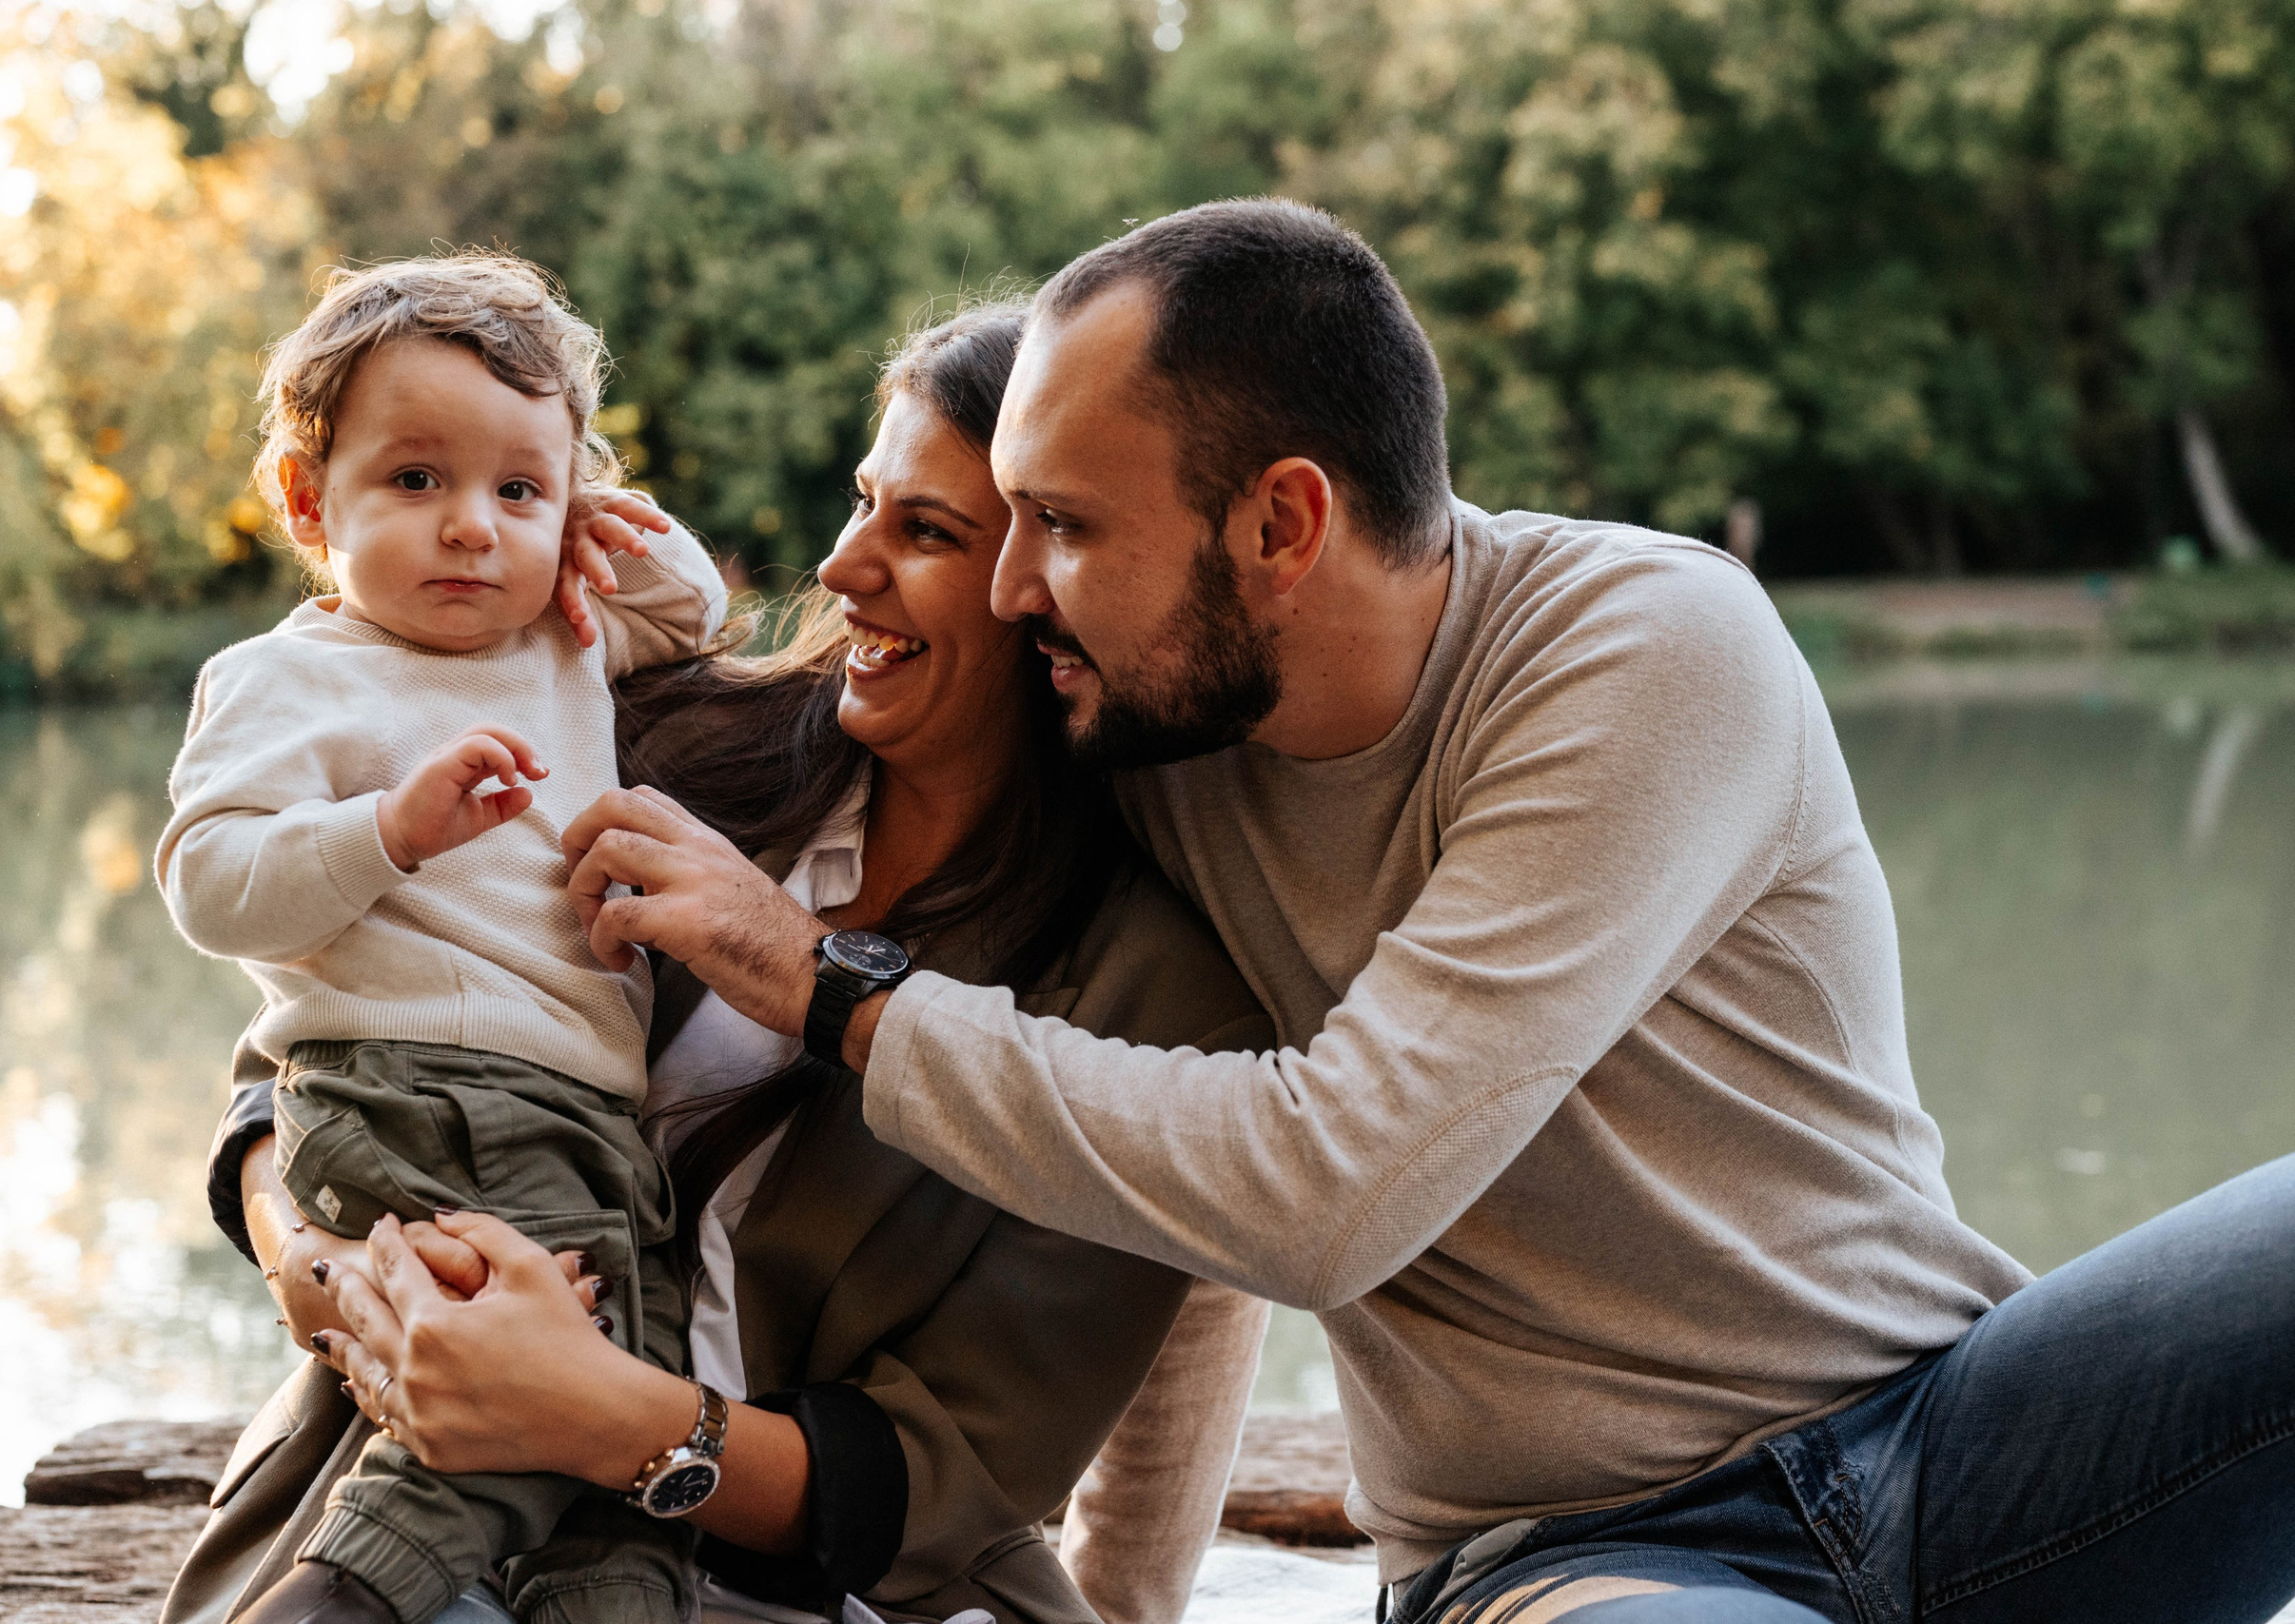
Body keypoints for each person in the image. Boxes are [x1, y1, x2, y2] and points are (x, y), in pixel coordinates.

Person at [530, 198, 2295, 1624]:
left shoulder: (1643, 650)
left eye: (1061, 525)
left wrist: (832, 992)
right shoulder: (1136, 729)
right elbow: (1178, 1189)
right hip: (1572, 1561)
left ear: (1284, 524)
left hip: (1962, 1429)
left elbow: (1320, 1190)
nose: (1011, 582)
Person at [166, 303, 1275, 1624]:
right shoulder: (664, 737)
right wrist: (336, 1285)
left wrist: (608, 1417)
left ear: (1061, 590)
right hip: (416, 1493)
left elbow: (947, 1480)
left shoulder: (1153, 993)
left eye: (924, 533)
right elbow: (302, 1049)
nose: (842, 565)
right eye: (866, 504)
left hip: (822, 1587)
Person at [156, 251, 730, 1624]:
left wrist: (594, 518)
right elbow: (209, 883)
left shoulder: (561, 638)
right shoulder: (290, 678)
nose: (475, 527)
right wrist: (385, 833)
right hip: (415, 1096)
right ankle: (343, 1595)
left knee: (630, 1419)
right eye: (418, 480)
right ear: (310, 501)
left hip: (583, 1124)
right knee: (557, 1375)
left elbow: (690, 612)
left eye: (516, 488)